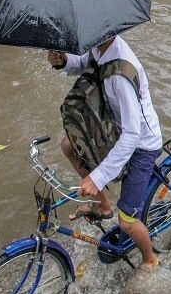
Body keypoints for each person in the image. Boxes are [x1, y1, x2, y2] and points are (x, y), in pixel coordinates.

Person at [48, 35, 163, 271]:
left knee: (128, 222)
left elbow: (132, 135)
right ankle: (103, 205)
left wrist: (97, 176)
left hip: (142, 144)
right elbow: (82, 63)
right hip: (115, 129)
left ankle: (150, 259)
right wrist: (62, 60)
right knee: (68, 146)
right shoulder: (99, 47)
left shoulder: (121, 74)